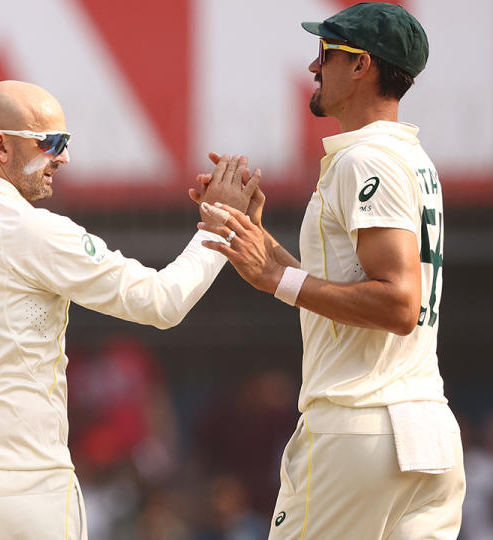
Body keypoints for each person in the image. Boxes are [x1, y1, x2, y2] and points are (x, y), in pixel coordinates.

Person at [0, 80, 259, 539]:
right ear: (0, 145)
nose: (64, 158)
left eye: (66, 142)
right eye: (52, 143)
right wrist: (222, 223)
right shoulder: (34, 229)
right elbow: (162, 302)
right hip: (26, 490)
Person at [198, 3, 465, 538]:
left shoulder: (363, 160)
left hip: (358, 428)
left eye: (326, 52)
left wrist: (278, 279)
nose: (314, 66)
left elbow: (397, 304)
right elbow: (352, 287)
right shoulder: (409, 158)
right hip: (425, 431)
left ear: (362, 64)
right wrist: (261, 246)